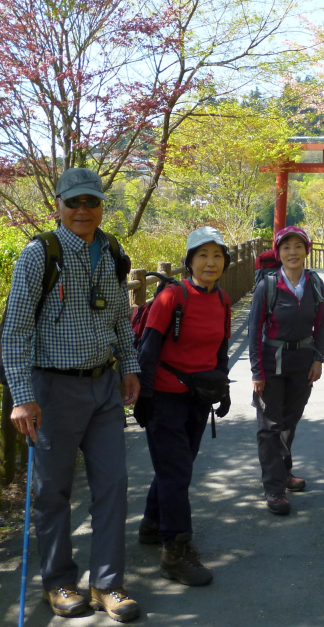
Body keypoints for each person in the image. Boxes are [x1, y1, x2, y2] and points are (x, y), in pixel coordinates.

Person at [1, 167, 141, 622]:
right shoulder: (39, 255)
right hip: (53, 389)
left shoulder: (112, 249)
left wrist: (130, 367)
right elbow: (15, 331)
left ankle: (108, 584)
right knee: (53, 491)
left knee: (113, 485)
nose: (83, 211)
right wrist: (22, 396)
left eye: (91, 202)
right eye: (73, 202)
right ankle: (59, 582)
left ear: (102, 205)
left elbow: (121, 315)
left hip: (103, 386)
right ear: (57, 205)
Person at [132, 226, 232, 587]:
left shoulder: (221, 300)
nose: (210, 262)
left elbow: (220, 348)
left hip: (199, 398)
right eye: (202, 255)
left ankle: (152, 523)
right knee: (177, 472)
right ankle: (175, 550)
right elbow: (148, 350)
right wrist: (143, 398)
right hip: (164, 397)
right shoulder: (171, 297)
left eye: (217, 255)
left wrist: (224, 389)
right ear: (189, 261)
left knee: (178, 465)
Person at [248, 226, 324, 515]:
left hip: (302, 363)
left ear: (307, 251)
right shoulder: (267, 285)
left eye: (298, 247)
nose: (292, 252)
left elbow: (320, 325)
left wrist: (318, 358)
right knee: (269, 427)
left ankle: (283, 472)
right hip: (271, 363)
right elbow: (254, 331)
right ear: (278, 253)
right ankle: (274, 488)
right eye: (286, 247)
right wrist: (257, 372)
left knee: (289, 422)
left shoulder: (315, 284)